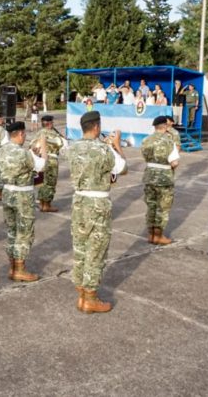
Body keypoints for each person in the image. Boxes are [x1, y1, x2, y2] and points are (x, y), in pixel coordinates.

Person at [67, 111, 128, 313]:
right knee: (96, 250)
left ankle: (81, 294)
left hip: (78, 201)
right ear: (96, 127)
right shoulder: (103, 149)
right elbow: (123, 168)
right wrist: (116, 144)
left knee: (80, 247)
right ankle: (91, 298)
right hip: (98, 202)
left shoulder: (72, 147)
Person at [0, 121, 47, 281]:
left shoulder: (2, 150)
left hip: (7, 193)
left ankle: (12, 267)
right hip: (22, 196)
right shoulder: (22, 153)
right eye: (24, 134)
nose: (25, 137)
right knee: (24, 233)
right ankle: (20, 269)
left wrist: (31, 152)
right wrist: (44, 147)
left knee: (12, 231)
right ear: (20, 134)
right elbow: (41, 166)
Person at [141, 116, 180, 245]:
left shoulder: (146, 140)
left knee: (151, 205)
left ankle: (150, 234)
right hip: (164, 177)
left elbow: (145, 157)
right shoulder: (169, 141)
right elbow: (174, 162)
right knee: (162, 207)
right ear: (165, 126)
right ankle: (158, 235)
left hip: (149, 175)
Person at [35, 115, 67, 212]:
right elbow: (61, 145)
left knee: (42, 181)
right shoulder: (53, 133)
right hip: (51, 159)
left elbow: (33, 145)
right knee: (50, 183)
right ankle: (47, 205)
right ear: (49, 123)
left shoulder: (39, 133)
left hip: (40, 159)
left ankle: (41, 203)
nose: (53, 124)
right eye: (52, 122)